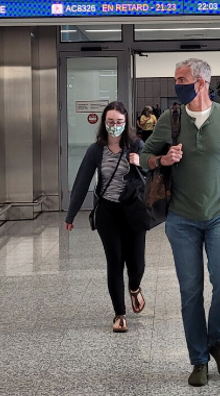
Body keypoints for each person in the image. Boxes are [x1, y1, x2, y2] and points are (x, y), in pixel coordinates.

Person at [143, 58, 220, 387]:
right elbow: (144, 157)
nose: (177, 84)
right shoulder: (169, 119)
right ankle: (199, 359)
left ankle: (217, 341)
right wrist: (163, 158)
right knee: (190, 292)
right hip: (181, 220)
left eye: (182, 79)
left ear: (202, 82)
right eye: (176, 78)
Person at [65, 101, 147, 333]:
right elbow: (82, 182)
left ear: (126, 123)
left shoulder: (136, 145)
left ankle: (134, 287)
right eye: (110, 122)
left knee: (137, 263)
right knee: (115, 260)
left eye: (119, 122)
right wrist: (71, 214)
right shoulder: (96, 150)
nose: (114, 126)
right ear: (104, 123)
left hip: (133, 210)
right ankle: (119, 314)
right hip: (107, 212)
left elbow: (152, 173)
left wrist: (139, 164)